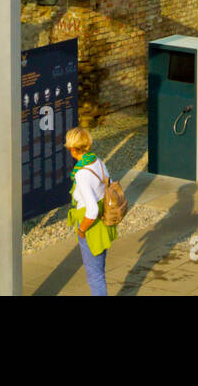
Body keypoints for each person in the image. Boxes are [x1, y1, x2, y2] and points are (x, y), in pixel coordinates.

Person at [66, 126, 117, 296]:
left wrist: (81, 230)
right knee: (99, 270)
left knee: (95, 277)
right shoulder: (97, 161)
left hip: (92, 226)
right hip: (105, 219)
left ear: (73, 149)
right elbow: (109, 184)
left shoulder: (81, 174)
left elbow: (92, 210)